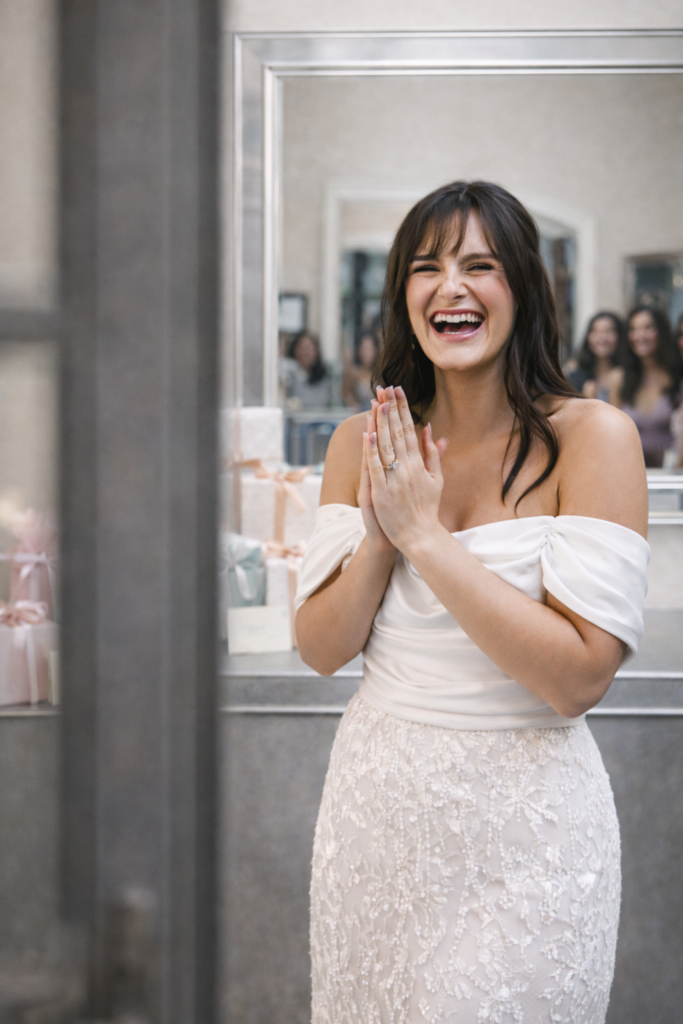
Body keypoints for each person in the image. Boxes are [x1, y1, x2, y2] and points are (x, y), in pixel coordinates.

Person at [294, 180, 649, 1023]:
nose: (450, 287)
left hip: (529, 837)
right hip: (377, 817)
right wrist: (382, 534)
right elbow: (319, 647)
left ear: (522, 290)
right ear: (403, 298)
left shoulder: (592, 438)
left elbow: (576, 680)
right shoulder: (360, 441)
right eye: (426, 268)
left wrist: (425, 537)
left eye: (479, 265)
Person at [609, 306, 682, 467]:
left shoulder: (678, 375)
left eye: (648, 328)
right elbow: (612, 436)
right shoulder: (619, 379)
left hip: (673, 475)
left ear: (661, 332)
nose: (640, 336)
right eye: (634, 329)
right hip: (630, 471)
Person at [565, 311, 625, 400]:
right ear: (588, 337)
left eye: (609, 331)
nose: (603, 338)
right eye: (596, 332)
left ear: (620, 336)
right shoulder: (575, 378)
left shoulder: (628, 375)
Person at [280, 331, 332, 409]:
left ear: (317, 351)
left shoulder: (325, 376)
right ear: (294, 350)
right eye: (302, 348)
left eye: (309, 348)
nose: (305, 353)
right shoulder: (288, 372)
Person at [341, 331, 379, 411]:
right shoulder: (353, 372)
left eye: (369, 349)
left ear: (375, 350)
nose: (367, 353)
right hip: (360, 413)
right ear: (359, 351)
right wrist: (353, 405)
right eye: (364, 349)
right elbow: (345, 393)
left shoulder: (379, 373)